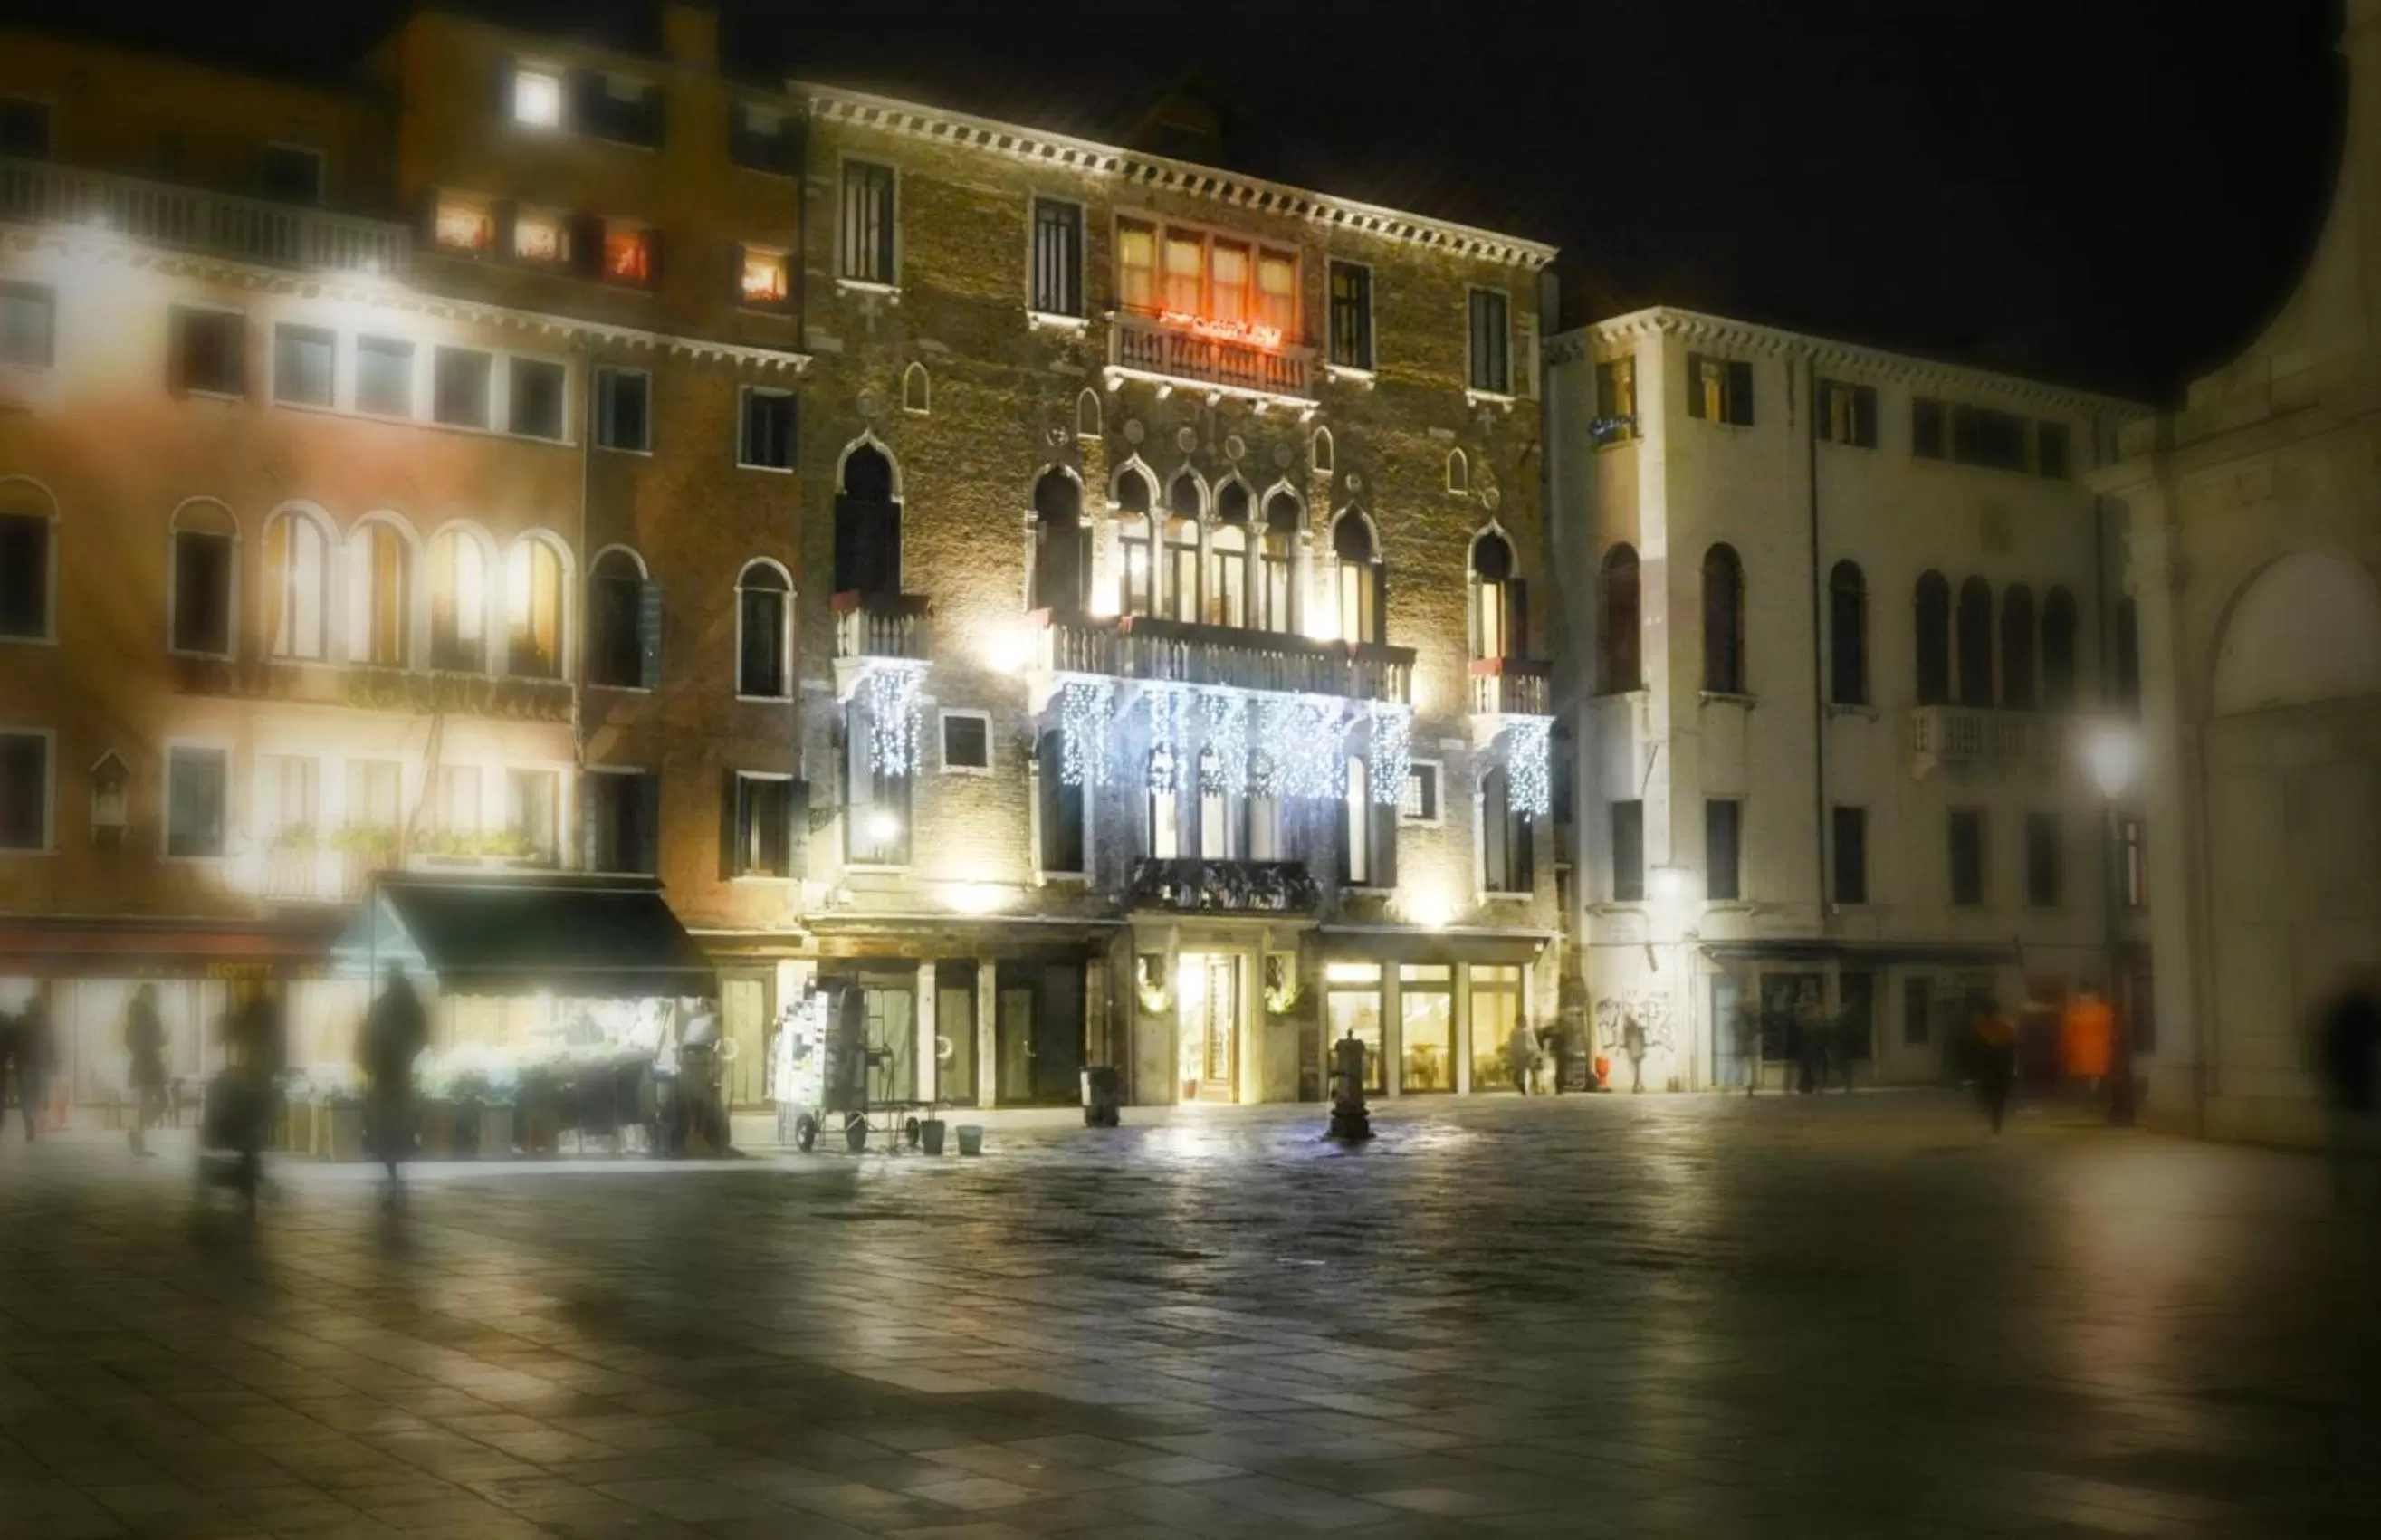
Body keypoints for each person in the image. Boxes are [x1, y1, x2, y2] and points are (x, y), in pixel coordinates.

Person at [359, 964, 427, 1203]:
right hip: (399, 1076)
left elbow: (368, 1038)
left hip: (386, 1076)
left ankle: (392, 1171)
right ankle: (395, 1169)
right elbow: (421, 1038)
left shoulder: (382, 1007)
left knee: (386, 1127)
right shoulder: (410, 1007)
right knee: (397, 1125)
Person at [2319, 977, 2381, 1207]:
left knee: (2344, 1142)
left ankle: (2342, 1189)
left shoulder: (2339, 1020)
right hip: (2360, 1088)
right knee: (2368, 1141)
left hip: (2345, 1088)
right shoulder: (2366, 1015)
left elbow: (2328, 1054)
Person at [125, 983, 168, 1155]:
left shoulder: (134, 1017)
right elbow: (158, 1040)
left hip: (140, 1063)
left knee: (146, 1101)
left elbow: (129, 1041)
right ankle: (138, 1132)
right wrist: (164, 1037)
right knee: (162, 1101)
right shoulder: (150, 1017)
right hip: (150, 1064)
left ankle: (138, 1137)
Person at [1975, 998, 2019, 1134]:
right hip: (2003, 1061)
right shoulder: (2007, 1025)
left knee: (1991, 1092)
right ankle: (1997, 1122)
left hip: (1990, 1062)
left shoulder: (1982, 1026)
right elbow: (2013, 1047)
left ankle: (1994, 1117)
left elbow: (1979, 1046)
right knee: (2000, 1094)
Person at [14, 991, 53, 1141]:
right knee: (39, 1096)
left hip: (27, 1065)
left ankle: (31, 1125)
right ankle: (36, 1124)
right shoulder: (44, 1023)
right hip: (40, 1064)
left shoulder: (21, 1023)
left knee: (28, 1097)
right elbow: (50, 1044)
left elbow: (15, 1044)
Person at [1506, 1019, 1542, 1095]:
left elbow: (1533, 1042)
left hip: (1529, 1054)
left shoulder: (1528, 1032)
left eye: (1525, 1021)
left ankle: (1534, 1087)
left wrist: (1537, 1052)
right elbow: (1512, 1045)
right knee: (1521, 1072)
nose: (1525, 1023)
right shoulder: (1515, 1033)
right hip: (1521, 1055)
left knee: (1533, 1071)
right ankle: (1523, 1087)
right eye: (1523, 1021)